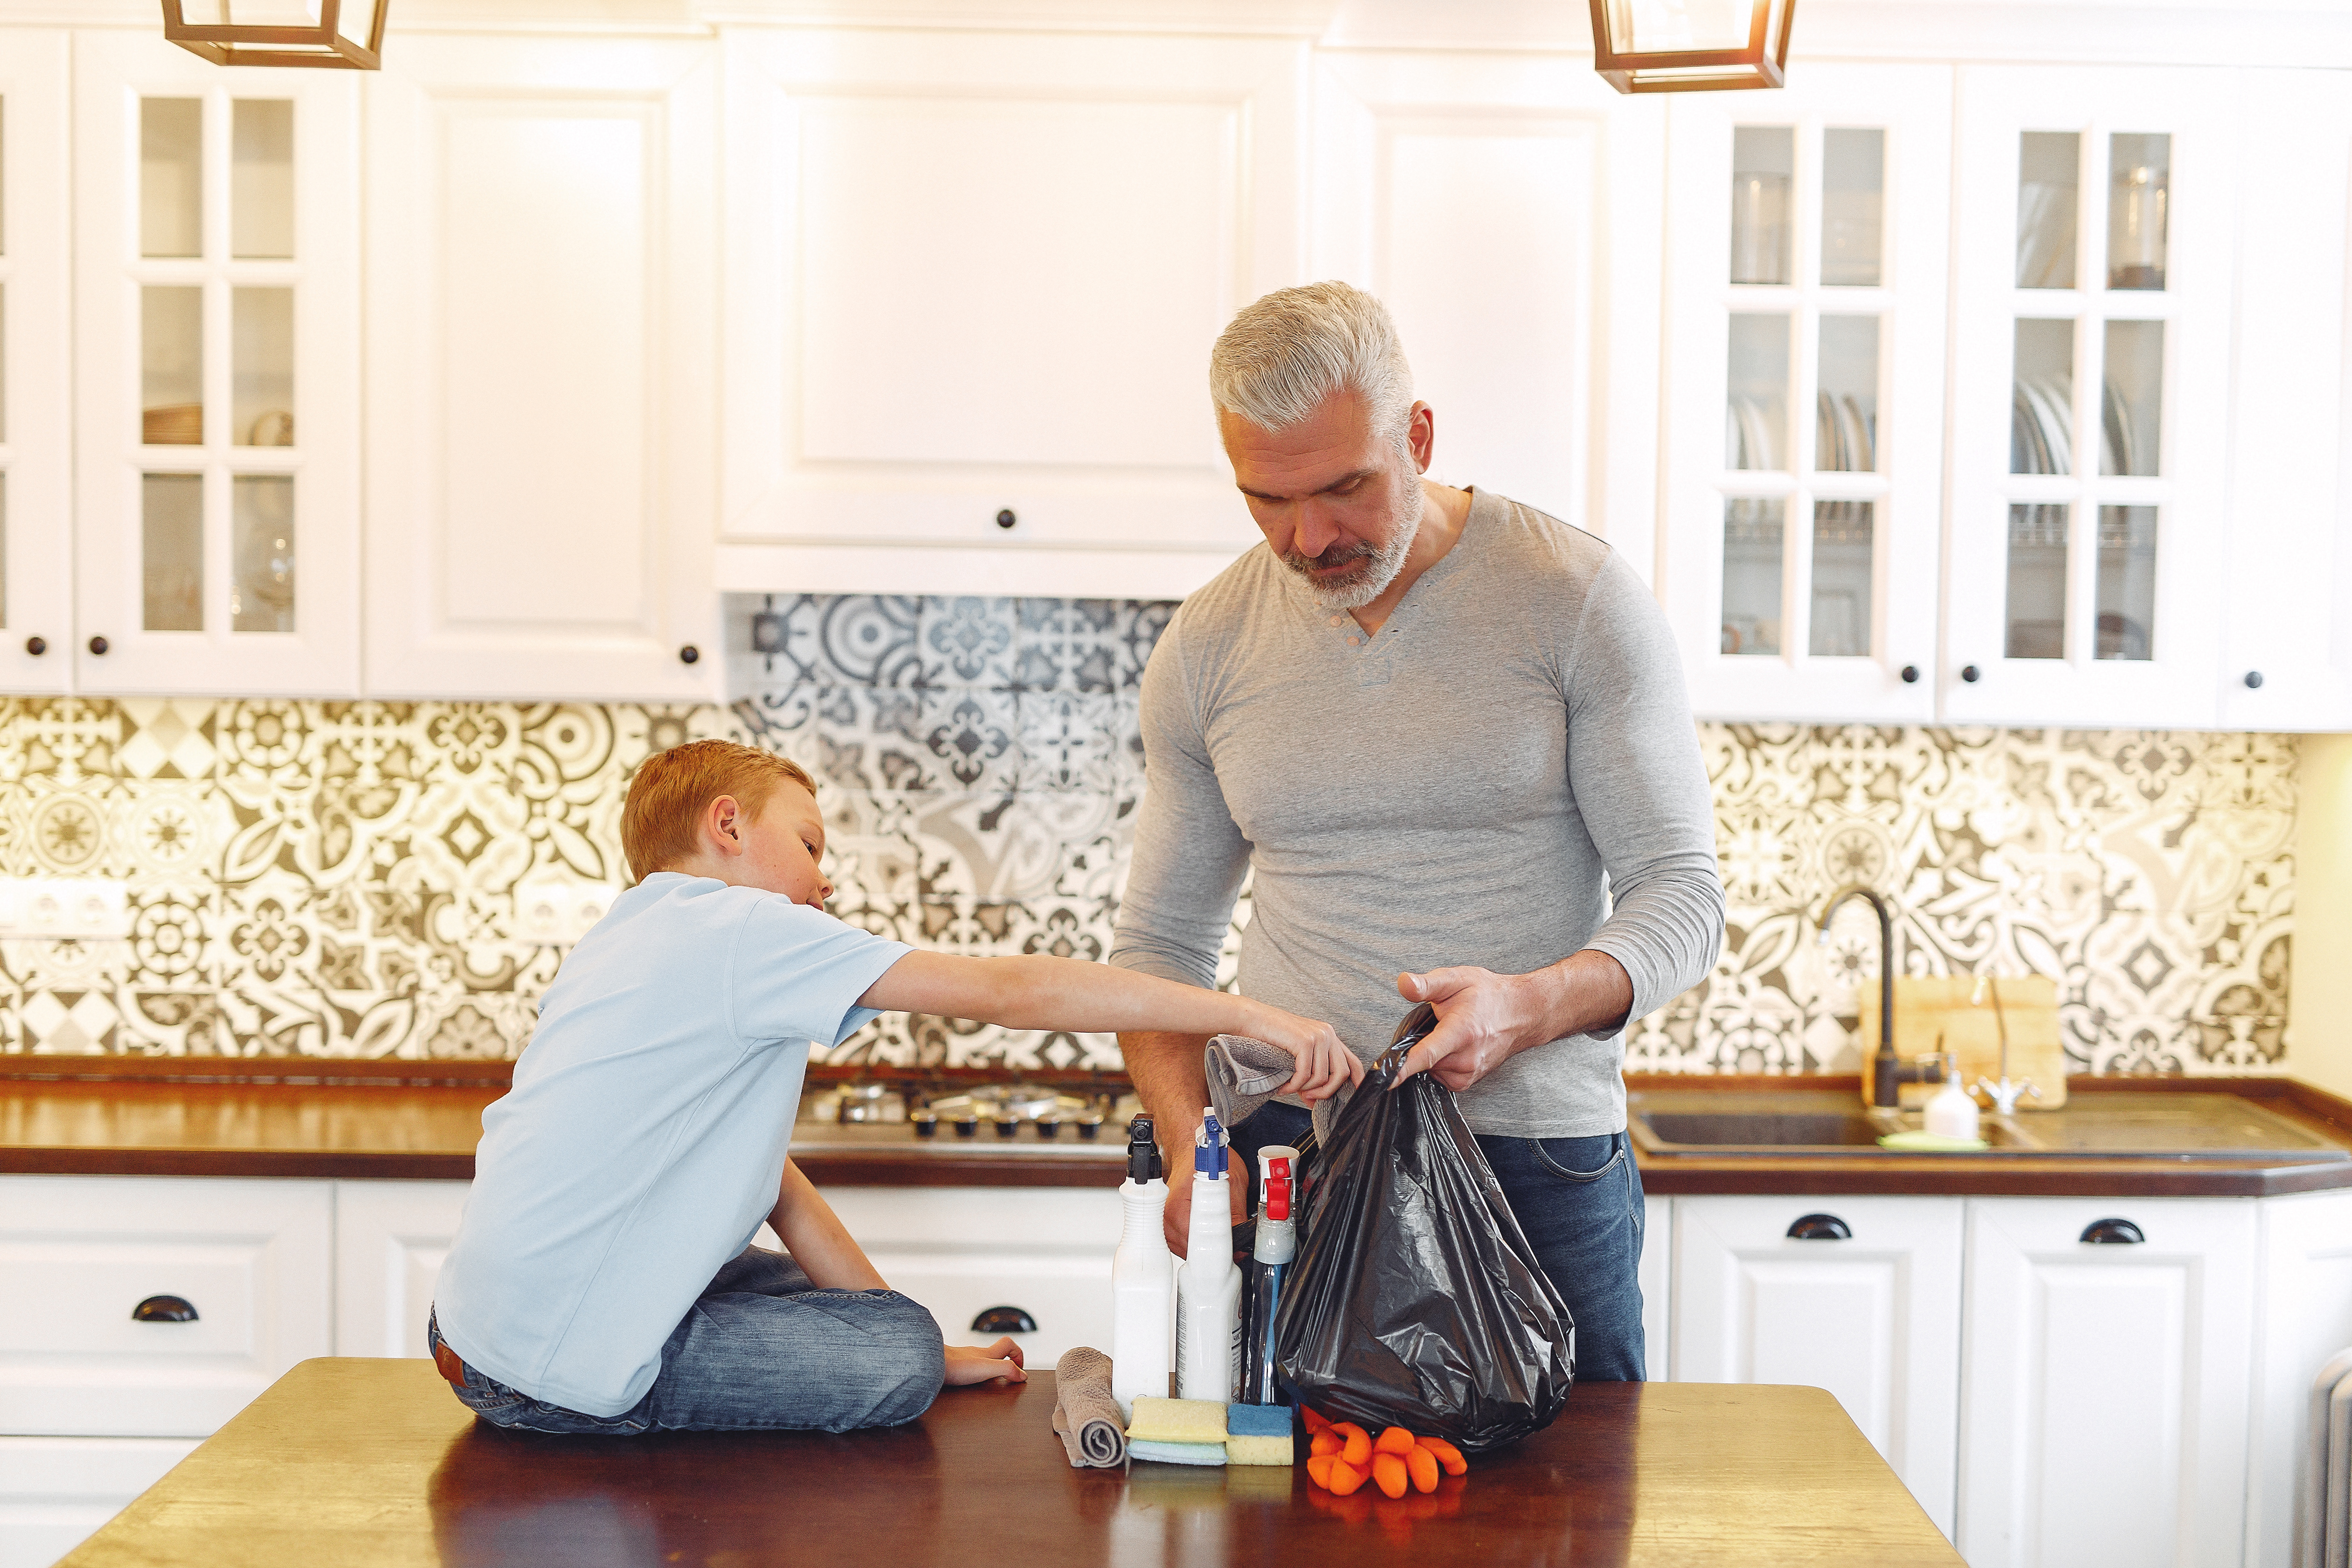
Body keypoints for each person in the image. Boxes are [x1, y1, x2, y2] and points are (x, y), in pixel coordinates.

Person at [1109, 282, 1724, 1382]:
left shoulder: (1574, 599)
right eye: (1269, 500)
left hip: (1531, 1160)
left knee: (1569, 1513)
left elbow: (1682, 897)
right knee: (1284, 1515)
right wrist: (1190, 1146)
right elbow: (1157, 951)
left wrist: (1528, 1007)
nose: (1312, 538)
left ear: (1420, 435)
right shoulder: (1207, 645)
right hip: (1288, 1159)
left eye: (1347, 487)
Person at [429, 739, 1359, 1435]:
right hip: (552, 1370)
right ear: (726, 825)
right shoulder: (738, 930)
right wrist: (1243, 1015)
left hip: (483, 1326)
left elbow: (775, 1183)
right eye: (808, 843)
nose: (823, 882)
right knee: (896, 1360)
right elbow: (1010, 988)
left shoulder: (634, 938)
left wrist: (896, 1326)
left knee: (893, 1334)